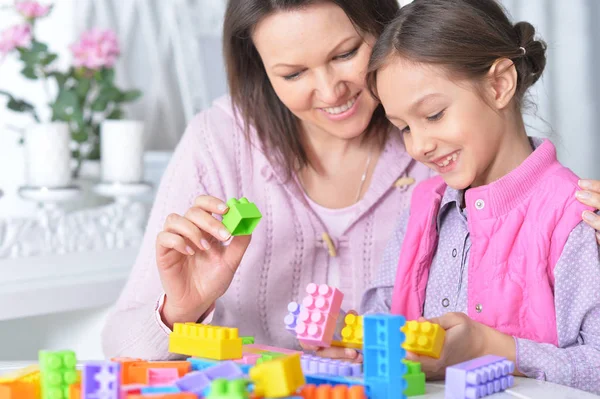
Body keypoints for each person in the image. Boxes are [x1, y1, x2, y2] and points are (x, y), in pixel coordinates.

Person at [101, 0, 600, 363]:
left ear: (381, 32)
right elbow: (122, 350)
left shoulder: (448, 169)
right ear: (263, 73)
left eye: (344, 54)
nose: (329, 90)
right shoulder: (221, 141)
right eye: (293, 73)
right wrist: (184, 310)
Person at [357, 0, 600, 393]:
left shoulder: (575, 216)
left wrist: (493, 348)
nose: (418, 146)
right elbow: (380, 318)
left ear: (498, 84)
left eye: (433, 115)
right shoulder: (424, 206)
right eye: (402, 127)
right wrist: (347, 343)